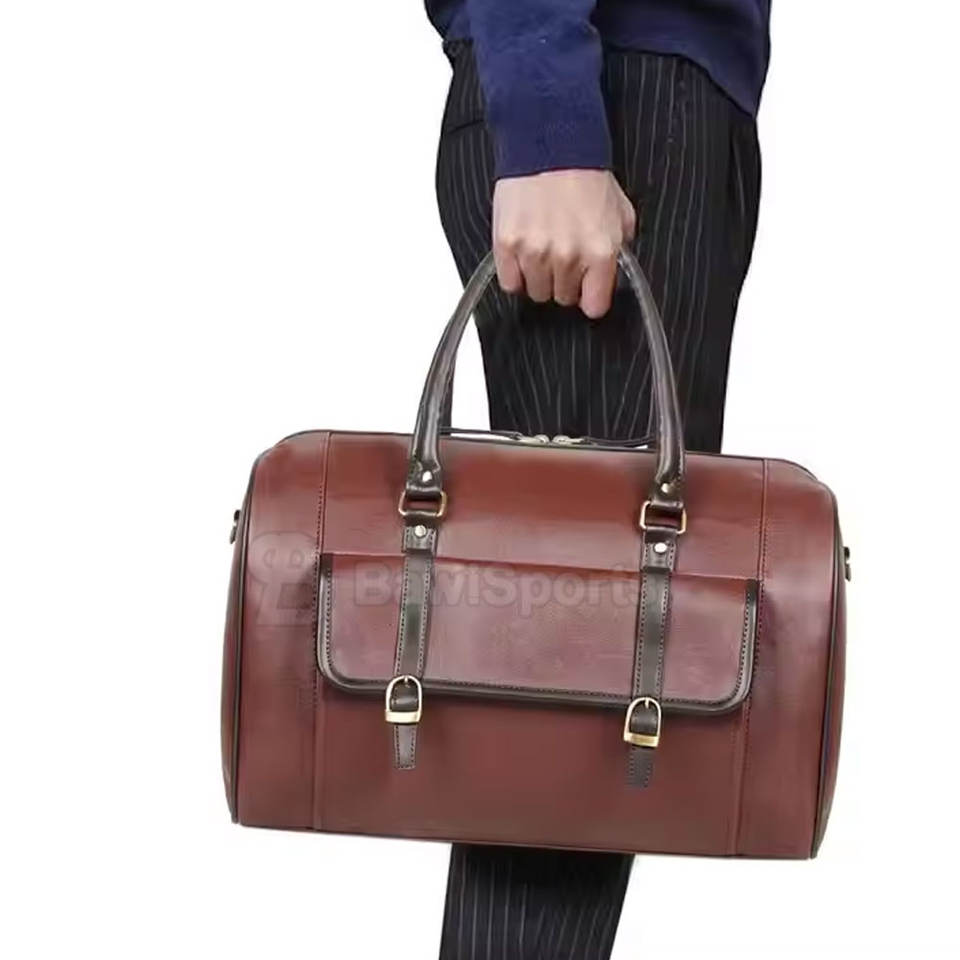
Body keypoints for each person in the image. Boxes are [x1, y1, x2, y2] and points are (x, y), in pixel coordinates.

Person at [424, 2, 769, 956]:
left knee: (582, 715)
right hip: (614, 99)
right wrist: (551, 120)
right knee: (569, 714)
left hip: (642, 95)